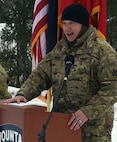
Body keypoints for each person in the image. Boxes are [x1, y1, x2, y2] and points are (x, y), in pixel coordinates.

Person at [3, 3, 117, 142]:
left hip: (92, 131)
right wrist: (23, 94)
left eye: (72, 23)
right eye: (64, 23)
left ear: (83, 25)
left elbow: (112, 89)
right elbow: (41, 74)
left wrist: (87, 112)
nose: (67, 28)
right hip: (61, 126)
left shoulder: (102, 52)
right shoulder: (60, 49)